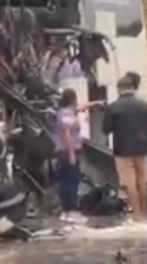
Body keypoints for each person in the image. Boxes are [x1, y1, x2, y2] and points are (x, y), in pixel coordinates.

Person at [103, 75, 147, 222]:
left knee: (130, 183)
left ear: (119, 89)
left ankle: (137, 215)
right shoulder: (145, 106)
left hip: (122, 150)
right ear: (133, 88)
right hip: (142, 148)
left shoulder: (112, 107)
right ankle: (145, 214)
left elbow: (106, 129)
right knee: (143, 181)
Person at [53, 88, 104, 222]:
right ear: (72, 100)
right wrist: (71, 154)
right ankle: (71, 210)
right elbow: (67, 134)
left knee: (66, 180)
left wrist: (96, 103)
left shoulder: (66, 112)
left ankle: (66, 211)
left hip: (64, 151)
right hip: (68, 151)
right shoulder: (67, 115)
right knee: (71, 181)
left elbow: (82, 107)